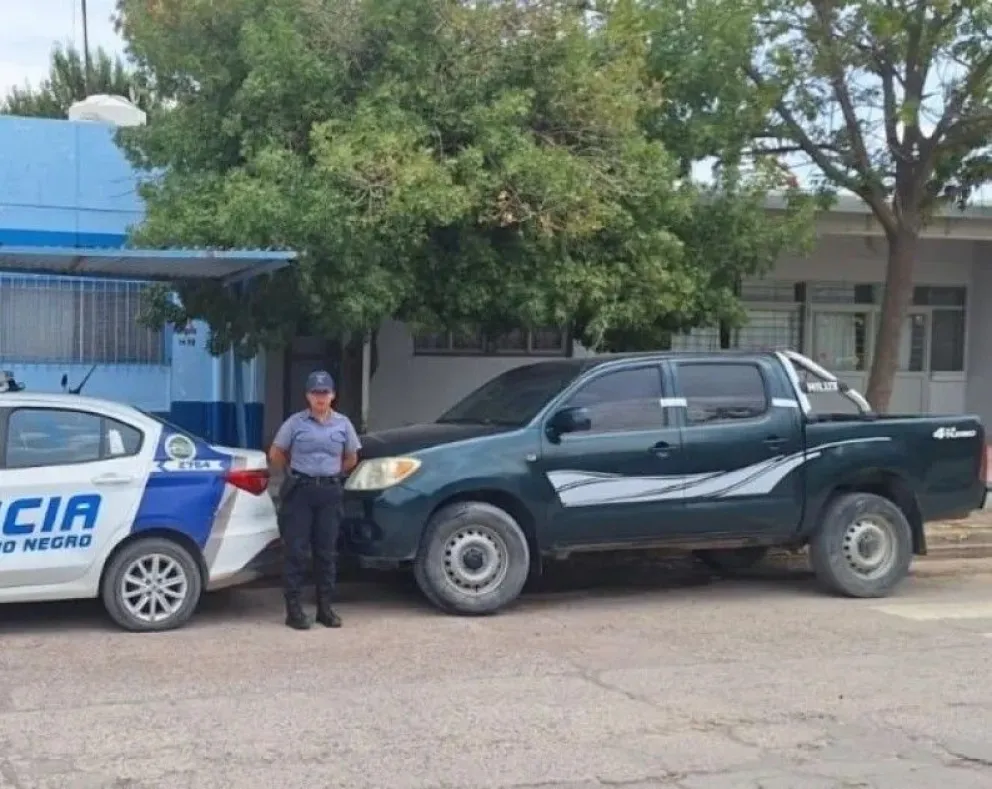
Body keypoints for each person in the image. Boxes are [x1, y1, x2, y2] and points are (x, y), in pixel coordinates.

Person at [268, 370, 361, 630]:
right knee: (296, 551)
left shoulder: (343, 424)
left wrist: (335, 474)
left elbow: (351, 457)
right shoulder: (295, 423)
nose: (320, 398)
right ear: (308, 396)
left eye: (325, 393)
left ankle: (325, 609)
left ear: (333, 395)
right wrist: (293, 472)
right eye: (315, 393)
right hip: (301, 491)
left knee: (326, 552)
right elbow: (276, 453)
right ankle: (294, 610)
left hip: (329, 492)